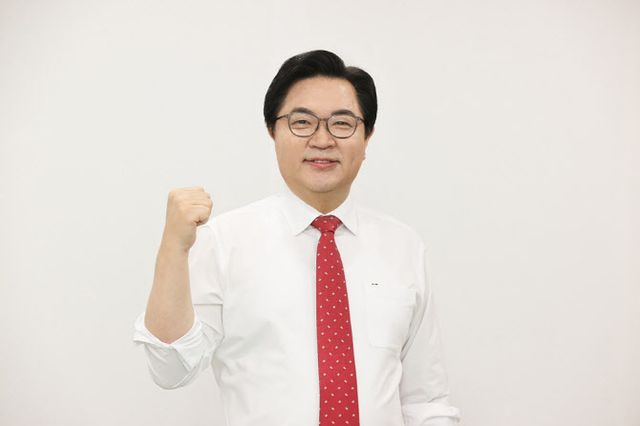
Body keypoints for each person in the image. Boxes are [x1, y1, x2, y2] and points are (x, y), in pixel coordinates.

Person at [132, 49, 461, 425]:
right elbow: (171, 368)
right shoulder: (224, 242)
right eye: (302, 122)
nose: (322, 139)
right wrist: (173, 249)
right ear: (273, 131)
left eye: (342, 123)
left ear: (367, 136)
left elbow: (426, 401)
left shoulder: (403, 247)